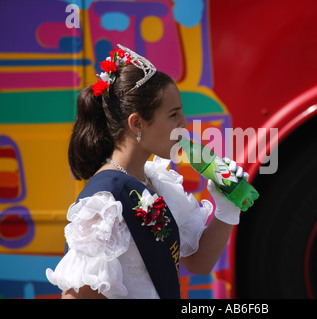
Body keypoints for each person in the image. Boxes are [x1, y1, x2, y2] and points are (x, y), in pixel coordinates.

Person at [45, 45, 246, 299]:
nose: (183, 123)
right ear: (137, 123)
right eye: (173, 114)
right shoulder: (104, 202)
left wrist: (228, 206)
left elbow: (197, 262)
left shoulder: (156, 181)